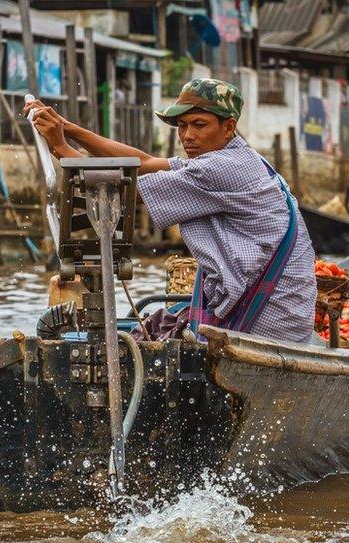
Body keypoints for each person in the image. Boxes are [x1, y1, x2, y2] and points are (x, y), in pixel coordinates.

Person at [23, 78, 317, 344]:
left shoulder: (220, 168)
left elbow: (125, 189)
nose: (188, 135)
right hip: (279, 311)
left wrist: (60, 146)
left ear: (228, 127)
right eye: (182, 126)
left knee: (153, 341)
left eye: (199, 125)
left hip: (268, 322)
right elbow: (143, 162)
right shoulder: (237, 157)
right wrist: (69, 129)